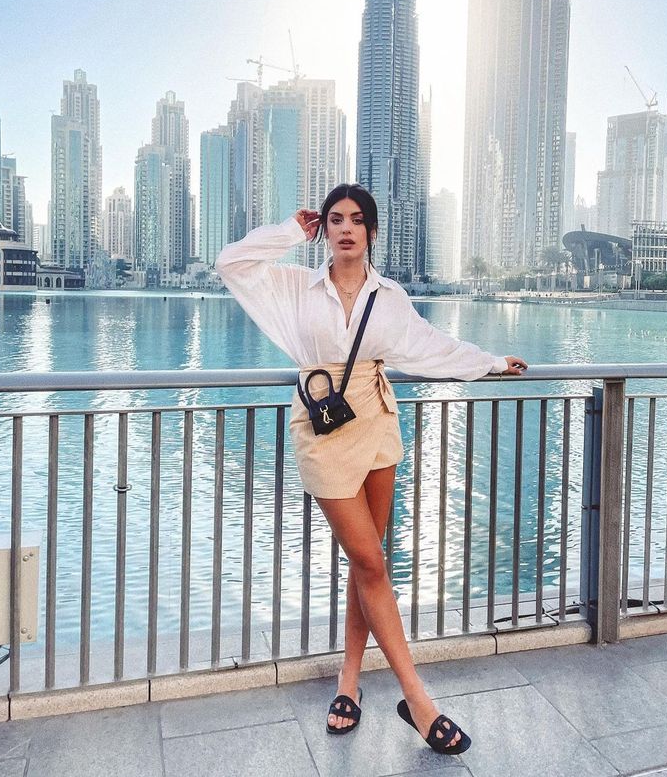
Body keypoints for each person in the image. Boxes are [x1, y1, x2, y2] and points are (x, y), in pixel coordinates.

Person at [215, 183, 527, 756]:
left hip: (378, 421)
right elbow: (230, 261)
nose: (346, 229)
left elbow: (430, 347)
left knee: (370, 566)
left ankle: (349, 683)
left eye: (357, 220)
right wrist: (290, 230)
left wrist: (489, 363)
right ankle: (418, 699)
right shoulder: (294, 287)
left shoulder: (390, 297)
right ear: (324, 230)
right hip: (324, 429)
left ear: (372, 231)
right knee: (369, 561)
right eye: (335, 220)